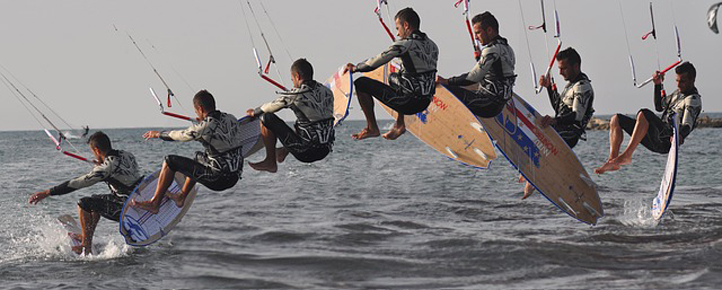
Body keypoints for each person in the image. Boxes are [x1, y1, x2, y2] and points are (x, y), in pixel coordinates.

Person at [28, 131, 142, 255]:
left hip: (126, 209)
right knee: (95, 200)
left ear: (97, 150)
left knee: (84, 203)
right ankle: (86, 238)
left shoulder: (106, 168)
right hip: (138, 201)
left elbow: (78, 183)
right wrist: (103, 165)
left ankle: (85, 246)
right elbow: (121, 172)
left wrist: (47, 193)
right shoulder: (127, 155)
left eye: (93, 151)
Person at [131, 90, 245, 213]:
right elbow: (220, 137)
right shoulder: (231, 118)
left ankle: (154, 203)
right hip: (235, 175)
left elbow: (182, 135)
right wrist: (202, 124)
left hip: (218, 179)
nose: (197, 114)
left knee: (170, 161)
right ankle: (181, 196)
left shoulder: (205, 127)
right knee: (198, 157)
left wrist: (159, 134)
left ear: (200, 109)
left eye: (196, 111)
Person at [343, 7, 439, 140]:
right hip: (426, 101)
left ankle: (372, 128)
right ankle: (400, 123)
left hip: (409, 103)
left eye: (398, 28)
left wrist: (356, 68)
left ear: (406, 25)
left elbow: (378, 61)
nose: (398, 34)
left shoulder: (406, 44)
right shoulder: (433, 46)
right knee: (393, 77)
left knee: (361, 83)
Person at [595, 62, 702, 174]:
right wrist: (657, 84)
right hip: (656, 136)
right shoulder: (677, 94)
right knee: (616, 119)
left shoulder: (693, 100)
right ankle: (612, 161)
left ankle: (627, 155)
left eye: (682, 81)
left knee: (644, 113)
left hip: (666, 140)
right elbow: (659, 106)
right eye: (677, 81)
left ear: (692, 80)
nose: (679, 85)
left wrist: (680, 136)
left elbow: (687, 125)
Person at [521, 47, 595, 199]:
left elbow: (576, 116)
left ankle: (533, 180)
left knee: (540, 145)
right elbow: (559, 108)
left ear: (576, 66)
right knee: (532, 136)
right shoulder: (571, 85)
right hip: (560, 130)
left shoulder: (582, 86)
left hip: (569, 134)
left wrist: (555, 120)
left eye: (563, 68)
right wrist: (549, 87)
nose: (560, 72)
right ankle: (533, 173)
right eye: (559, 69)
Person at [247, 58, 335, 173]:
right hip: (326, 149)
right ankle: (283, 152)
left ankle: (270, 161)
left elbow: (271, 107)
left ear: (297, 76)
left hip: (306, 152)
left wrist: (255, 112)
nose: (293, 83)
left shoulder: (297, 94)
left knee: (266, 118)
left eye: (292, 79)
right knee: (303, 122)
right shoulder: (327, 91)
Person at [436, 11, 516, 118]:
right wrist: (480, 59)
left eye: (478, 33)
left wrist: (447, 81)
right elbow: (497, 72)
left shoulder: (491, 50)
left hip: (486, 103)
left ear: (489, 30)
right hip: (498, 105)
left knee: (445, 89)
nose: (476, 38)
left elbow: (473, 77)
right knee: (465, 89)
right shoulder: (507, 48)